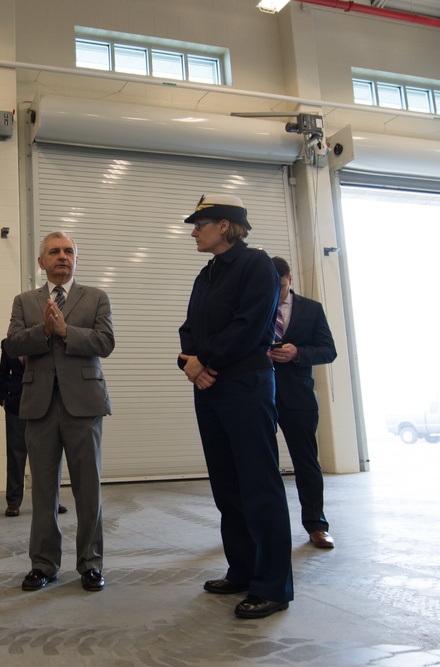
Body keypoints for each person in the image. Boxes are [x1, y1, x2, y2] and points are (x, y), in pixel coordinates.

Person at [177, 195, 293, 620]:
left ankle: (272, 585)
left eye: (200, 224)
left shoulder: (256, 265)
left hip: (245, 384)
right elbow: (188, 327)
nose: (194, 231)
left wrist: (203, 361)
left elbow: (249, 325)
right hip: (209, 386)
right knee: (227, 485)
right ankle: (243, 570)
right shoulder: (206, 275)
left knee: (259, 485)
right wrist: (189, 363)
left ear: (225, 226)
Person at [6, 231, 114, 593]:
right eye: (54, 252)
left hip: (83, 403)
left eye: (69, 251)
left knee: (88, 488)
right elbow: (13, 345)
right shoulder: (25, 301)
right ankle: (44, 564)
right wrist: (44, 330)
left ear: (76, 260)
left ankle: (91, 564)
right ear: (42, 262)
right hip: (39, 405)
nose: (62, 256)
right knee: (43, 490)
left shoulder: (96, 297)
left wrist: (67, 331)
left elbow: (105, 342)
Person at [269, 257, 338, 549]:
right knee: (261, 465)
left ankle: (316, 526)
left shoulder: (312, 309)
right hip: (259, 395)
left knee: (307, 463)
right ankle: (263, 527)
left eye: (281, 286)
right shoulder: (254, 306)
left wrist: (297, 353)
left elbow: (328, 350)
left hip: (298, 396)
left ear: (291, 279)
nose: (276, 292)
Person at [0, 338, 69, 518]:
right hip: (16, 405)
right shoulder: (8, 344)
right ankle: (13, 502)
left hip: (42, 402)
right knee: (15, 454)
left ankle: (51, 499)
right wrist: (3, 397)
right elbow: (3, 372)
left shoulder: (43, 341)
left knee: (47, 455)